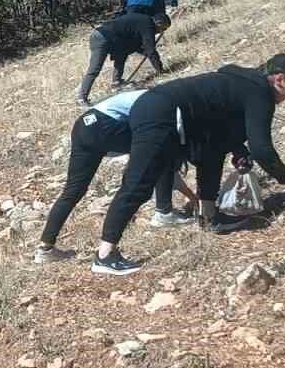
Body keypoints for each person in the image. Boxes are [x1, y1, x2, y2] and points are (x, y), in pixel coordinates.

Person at [91, 53, 285, 275]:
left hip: (165, 110)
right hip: (160, 113)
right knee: (138, 183)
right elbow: (262, 149)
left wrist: (238, 150)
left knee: (212, 152)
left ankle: (210, 217)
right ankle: (105, 255)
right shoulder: (260, 93)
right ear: (280, 79)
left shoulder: (241, 83)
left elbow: (222, 127)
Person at [33, 89, 196, 263]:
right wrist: (193, 197)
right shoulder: (163, 103)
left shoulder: (155, 96)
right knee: (158, 153)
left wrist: (191, 196)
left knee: (73, 190)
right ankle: (164, 212)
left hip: (83, 125)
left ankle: (45, 249)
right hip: (105, 125)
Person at [77, 11, 168, 106]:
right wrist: (160, 70)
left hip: (104, 35)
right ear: (159, 23)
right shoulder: (148, 24)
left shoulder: (142, 20)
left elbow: (138, 46)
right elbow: (150, 49)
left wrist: (148, 54)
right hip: (103, 37)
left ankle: (117, 82)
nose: (161, 32)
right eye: (163, 29)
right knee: (95, 69)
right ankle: (82, 98)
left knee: (122, 53)